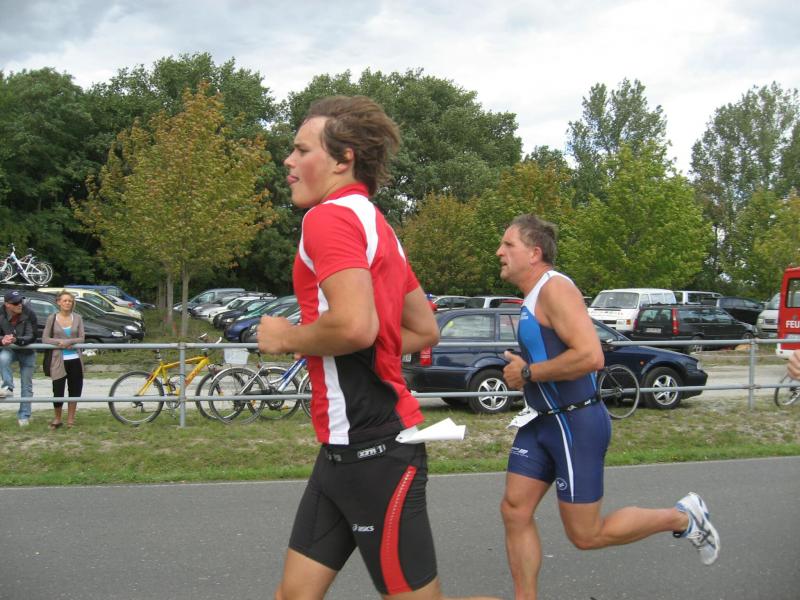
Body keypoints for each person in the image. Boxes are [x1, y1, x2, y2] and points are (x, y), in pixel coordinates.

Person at [258, 95, 498, 600]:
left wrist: (288, 338)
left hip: (373, 452)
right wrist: (349, 344)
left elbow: (354, 326)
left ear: (343, 159)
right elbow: (423, 329)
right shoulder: (377, 225)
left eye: (302, 150)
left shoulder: (327, 219)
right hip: (342, 452)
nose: (288, 160)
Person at [496, 214, 720, 599]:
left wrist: (528, 372)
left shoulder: (555, 288)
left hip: (575, 423)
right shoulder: (532, 296)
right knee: (514, 510)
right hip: (541, 423)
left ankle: (684, 517)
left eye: (508, 244)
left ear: (534, 253)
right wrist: (525, 374)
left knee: (586, 534)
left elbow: (591, 356)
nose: (499, 252)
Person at [42, 290, 85, 429]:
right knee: (58, 390)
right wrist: (59, 342)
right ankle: (57, 418)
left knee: (75, 389)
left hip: (75, 359)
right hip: (58, 359)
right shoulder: (52, 318)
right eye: (65, 300)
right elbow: (45, 338)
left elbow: (82, 338)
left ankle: (71, 419)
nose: (67, 303)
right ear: (59, 302)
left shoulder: (78, 318)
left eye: (70, 301)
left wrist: (70, 341)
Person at [0, 290, 38, 427]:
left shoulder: (29, 313)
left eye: (20, 301)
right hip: (9, 349)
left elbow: (32, 336)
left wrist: (16, 340)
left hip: (27, 351)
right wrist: (2, 340)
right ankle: (8, 387)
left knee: (26, 386)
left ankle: (24, 416)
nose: (19, 304)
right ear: (7, 304)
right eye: (15, 303)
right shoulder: (0, 314)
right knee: (3, 358)